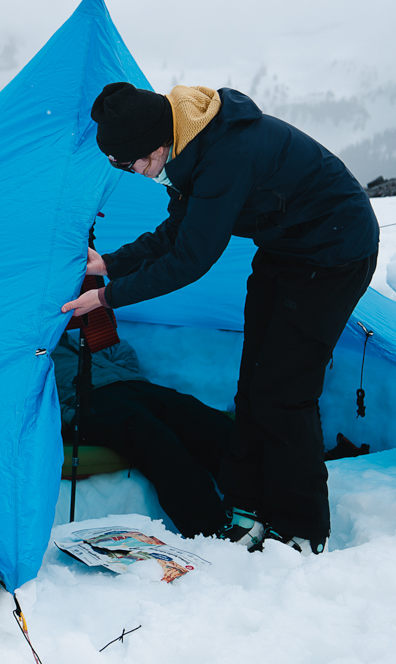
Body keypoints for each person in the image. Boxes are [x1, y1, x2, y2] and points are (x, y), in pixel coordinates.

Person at [61, 83, 379, 555]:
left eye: (134, 165)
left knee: (284, 393)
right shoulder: (189, 149)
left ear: (155, 145)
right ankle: (248, 507)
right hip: (286, 251)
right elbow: (178, 230)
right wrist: (110, 263)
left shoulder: (226, 155)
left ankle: (302, 526)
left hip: (334, 255)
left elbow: (191, 258)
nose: (139, 175)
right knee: (253, 385)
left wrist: (108, 298)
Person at [52, 330, 234, 538]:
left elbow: (120, 349)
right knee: (155, 439)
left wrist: (122, 371)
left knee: (205, 420)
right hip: (85, 401)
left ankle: (258, 511)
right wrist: (70, 415)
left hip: (134, 385)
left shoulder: (65, 337)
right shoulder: (18, 358)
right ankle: (212, 532)